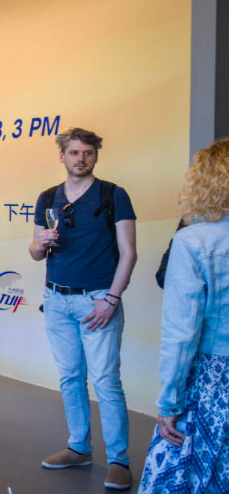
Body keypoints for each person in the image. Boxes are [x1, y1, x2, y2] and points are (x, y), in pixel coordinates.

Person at [29, 128, 136, 491]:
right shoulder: (48, 197)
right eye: (74, 152)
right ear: (62, 156)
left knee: (106, 381)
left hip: (98, 299)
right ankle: (79, 447)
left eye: (87, 153)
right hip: (56, 300)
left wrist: (112, 300)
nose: (81, 158)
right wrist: (39, 243)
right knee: (71, 376)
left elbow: (129, 253)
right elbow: (35, 252)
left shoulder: (113, 195)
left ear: (95, 156)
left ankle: (119, 460)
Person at [139, 139, 229, 494]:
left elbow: (182, 333)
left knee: (184, 477)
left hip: (211, 380)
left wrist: (168, 402)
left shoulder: (193, 241)